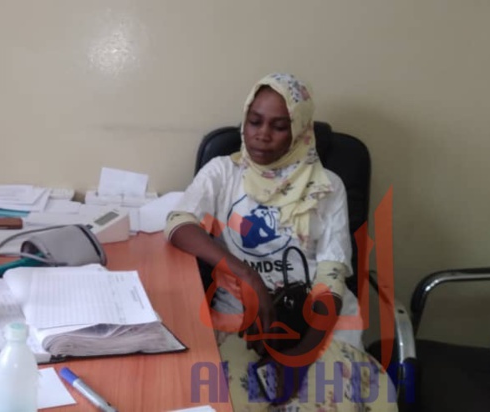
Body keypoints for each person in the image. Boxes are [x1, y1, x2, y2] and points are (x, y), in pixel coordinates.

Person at [166, 73, 397, 411]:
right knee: (217, 402)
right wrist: (248, 277)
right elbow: (178, 224)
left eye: (279, 126)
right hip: (239, 321)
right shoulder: (223, 172)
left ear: (300, 130)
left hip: (318, 324)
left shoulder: (327, 186)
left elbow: (331, 279)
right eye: (254, 121)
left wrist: (299, 359)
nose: (262, 134)